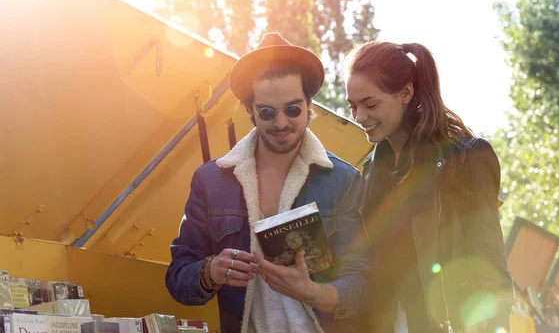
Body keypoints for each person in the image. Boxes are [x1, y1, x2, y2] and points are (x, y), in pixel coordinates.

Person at [166, 32, 368, 333]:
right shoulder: (210, 181)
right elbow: (178, 277)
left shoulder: (343, 179)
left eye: (293, 109)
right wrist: (210, 271)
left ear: (310, 103)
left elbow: (366, 280)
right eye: (267, 112)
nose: (282, 123)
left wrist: (315, 293)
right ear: (250, 110)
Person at [344, 41, 515, 332]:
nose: (360, 117)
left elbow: (489, 264)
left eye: (371, 104)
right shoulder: (371, 172)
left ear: (406, 92)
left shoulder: (467, 158)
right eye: (353, 106)